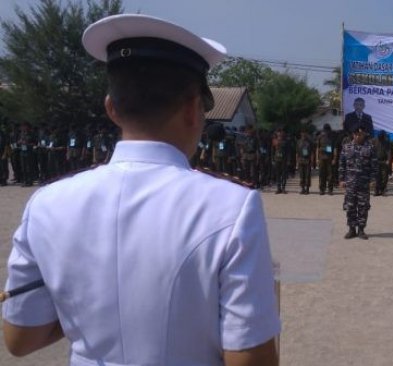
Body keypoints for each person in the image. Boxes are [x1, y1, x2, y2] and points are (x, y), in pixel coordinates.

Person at [2, 14, 280, 366]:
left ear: (111, 108)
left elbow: (20, 337)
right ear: (195, 109)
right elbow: (250, 360)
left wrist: (84, 301)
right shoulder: (232, 206)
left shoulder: (46, 205)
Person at [339, 125, 378, 240]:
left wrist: (373, 180)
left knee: (363, 207)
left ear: (364, 134)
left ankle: (361, 230)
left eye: (360, 134)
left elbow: (374, 166)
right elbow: (342, 164)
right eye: (355, 134)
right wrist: (341, 179)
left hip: (364, 183)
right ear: (353, 134)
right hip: (350, 184)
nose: (357, 136)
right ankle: (351, 229)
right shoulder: (346, 147)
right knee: (350, 207)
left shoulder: (370, 148)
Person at [316, 124, 337, 195]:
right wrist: (317, 159)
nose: (327, 132)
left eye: (328, 130)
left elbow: (334, 148)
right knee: (321, 174)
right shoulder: (320, 137)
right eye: (325, 130)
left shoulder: (332, 138)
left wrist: (334, 158)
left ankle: (330, 190)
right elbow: (317, 148)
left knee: (330, 175)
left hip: (329, 159)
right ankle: (322, 189)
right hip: (321, 158)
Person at [373, 130, 393, 196]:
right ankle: (377, 190)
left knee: (384, 177)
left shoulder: (387, 142)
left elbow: (389, 152)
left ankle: (383, 190)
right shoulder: (374, 141)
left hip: (384, 161)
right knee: (377, 177)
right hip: (376, 161)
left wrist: (388, 160)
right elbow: (372, 151)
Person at [296, 128, 313, 194]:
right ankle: (302, 188)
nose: (303, 134)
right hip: (300, 160)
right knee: (301, 175)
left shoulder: (309, 142)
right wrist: (296, 160)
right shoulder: (298, 142)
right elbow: (297, 152)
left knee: (307, 175)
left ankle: (307, 189)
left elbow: (312, 152)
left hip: (307, 160)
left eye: (305, 133)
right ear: (301, 134)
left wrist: (312, 161)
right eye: (302, 133)